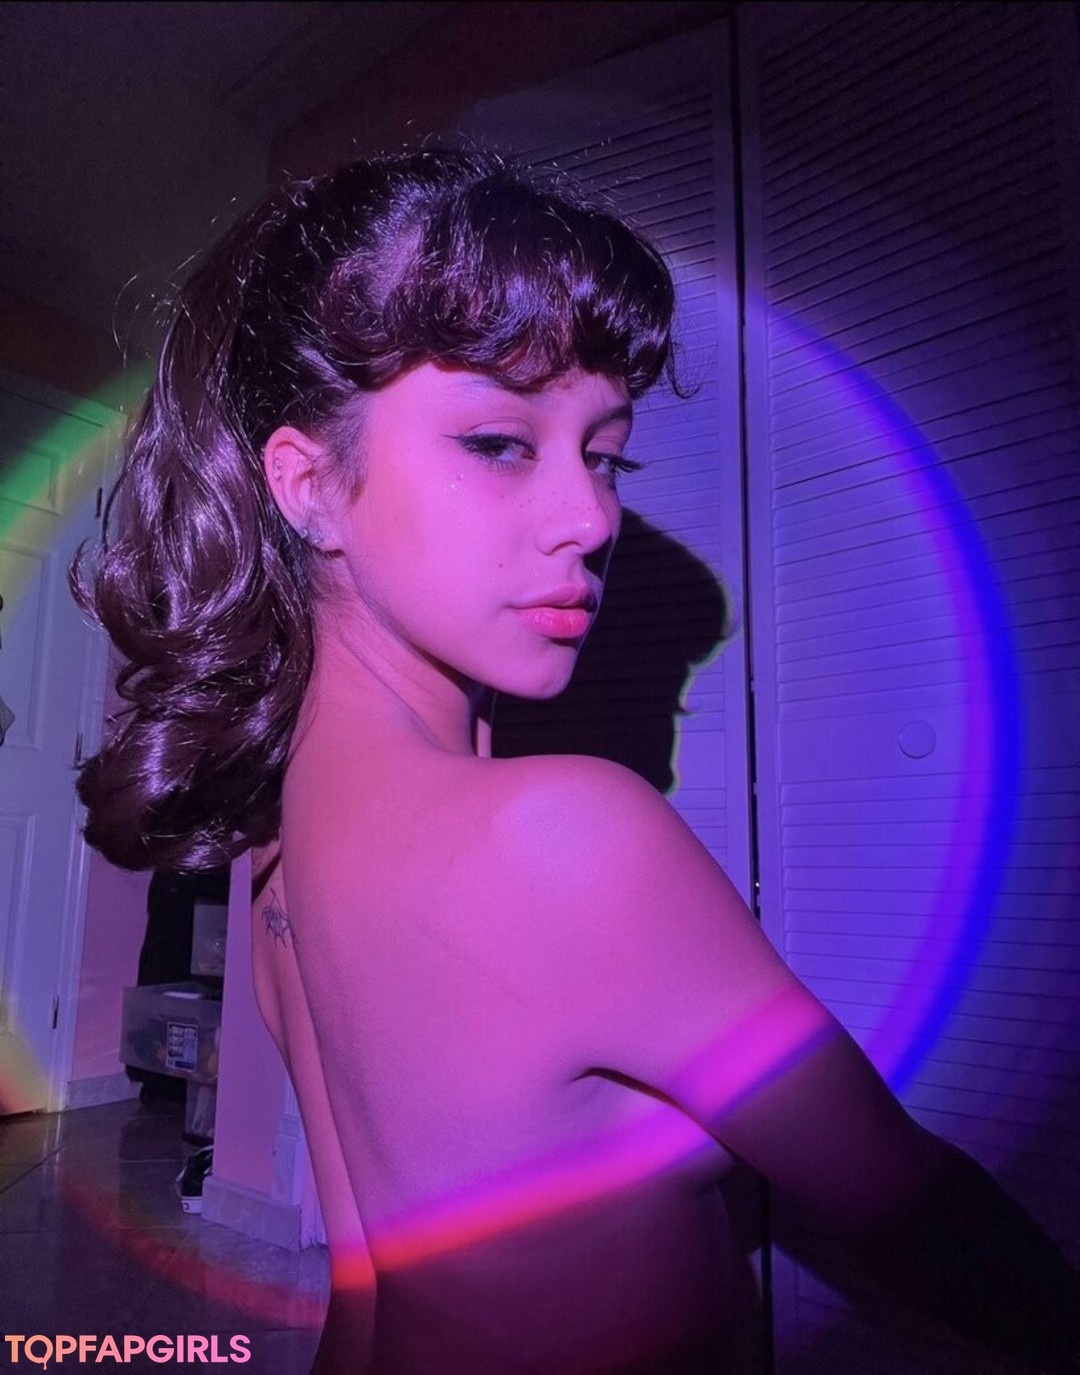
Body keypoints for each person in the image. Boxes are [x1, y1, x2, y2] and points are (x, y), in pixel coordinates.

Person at [74, 149, 1078, 1374]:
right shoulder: (561, 833)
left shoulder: (278, 860)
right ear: (309, 484)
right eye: (501, 441)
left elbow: (368, 1288)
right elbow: (917, 1212)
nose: (593, 516)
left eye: (605, 454)